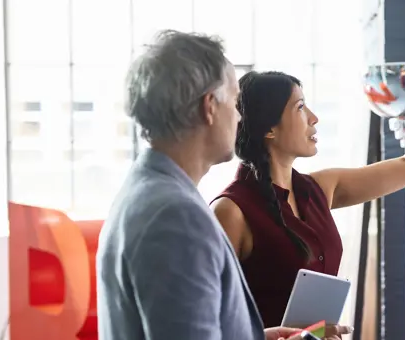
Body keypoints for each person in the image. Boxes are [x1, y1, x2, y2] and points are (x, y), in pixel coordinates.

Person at [211, 34, 405, 327]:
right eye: (300, 108)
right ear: (269, 130)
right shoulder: (231, 211)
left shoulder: (319, 189)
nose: (314, 118)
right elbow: (208, 320)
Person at [96, 30, 337, 340]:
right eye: (236, 101)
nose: (239, 117)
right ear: (209, 106)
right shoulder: (175, 217)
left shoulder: (148, 190)